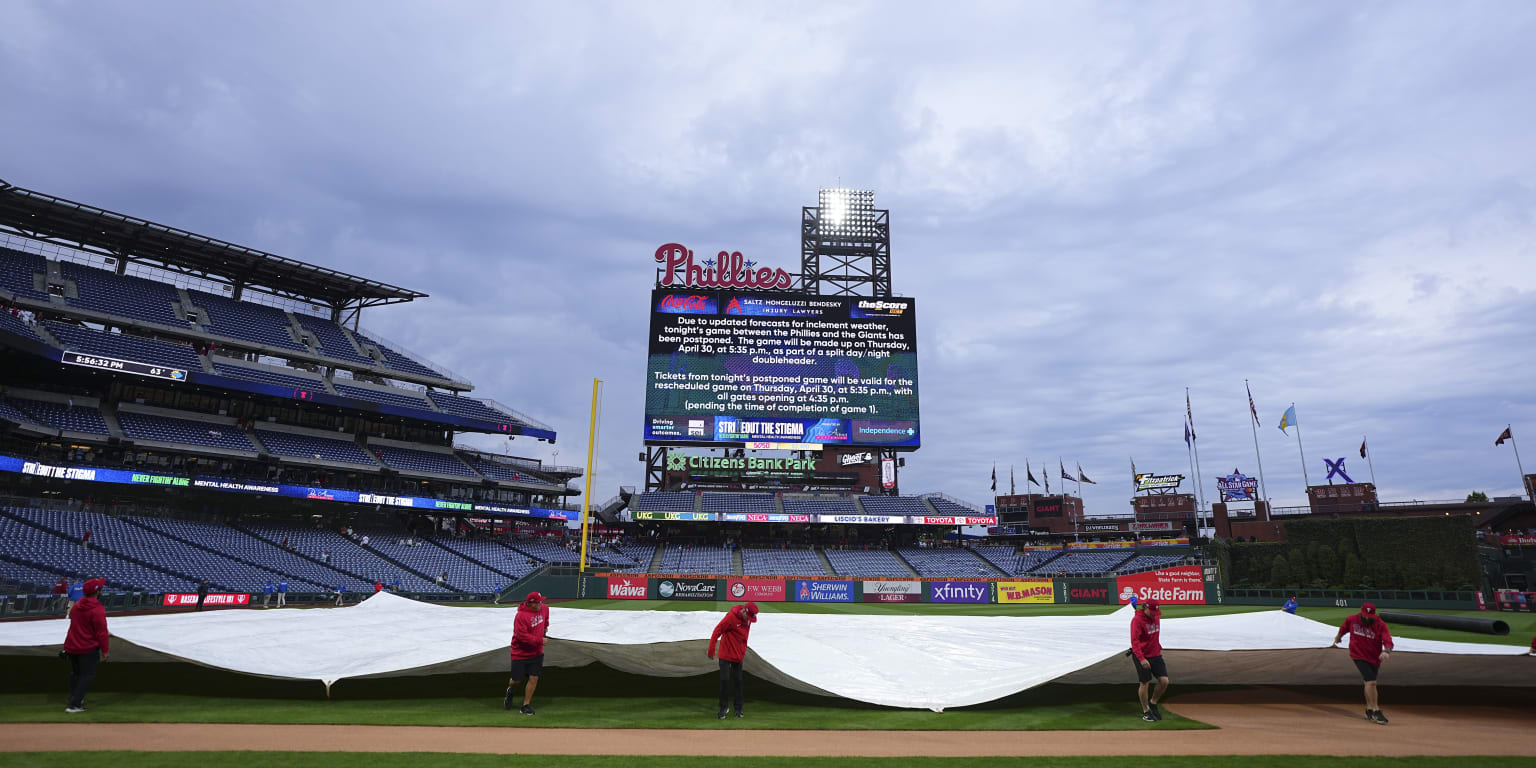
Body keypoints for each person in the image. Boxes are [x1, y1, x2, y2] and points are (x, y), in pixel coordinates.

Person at [1333, 602, 1394, 724]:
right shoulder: (1352, 619)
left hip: (1374, 657)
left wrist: (1387, 651)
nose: (1366, 618)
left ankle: (1369, 709)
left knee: (1368, 683)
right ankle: (1376, 711)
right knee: (1371, 682)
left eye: (1369, 616)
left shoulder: (1380, 624)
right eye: (1365, 615)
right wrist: (1338, 637)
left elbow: (1387, 639)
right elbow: (1343, 628)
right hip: (1358, 654)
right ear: (1361, 611)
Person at [63, 578, 109, 713]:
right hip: (87, 647)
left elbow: (73, 621)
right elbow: (102, 633)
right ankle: (74, 704)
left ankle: (74, 698)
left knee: (76, 673)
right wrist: (105, 650)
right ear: (97, 592)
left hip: (72, 645)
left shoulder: (77, 606)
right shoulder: (97, 609)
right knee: (87, 675)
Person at [707, 602, 758, 719]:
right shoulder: (730, 618)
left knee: (738, 681)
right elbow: (717, 631)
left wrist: (742, 652)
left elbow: (744, 638)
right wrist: (711, 650)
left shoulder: (748, 620)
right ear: (744, 611)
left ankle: (738, 709)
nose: (749, 620)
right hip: (725, 654)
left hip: (738, 656)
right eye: (749, 617)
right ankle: (723, 708)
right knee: (725, 680)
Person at [504, 592, 551, 715]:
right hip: (520, 653)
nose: (541, 603)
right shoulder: (521, 616)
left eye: (541, 601)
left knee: (534, 678)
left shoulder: (544, 608)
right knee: (516, 680)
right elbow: (522, 636)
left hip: (536, 652)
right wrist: (540, 640)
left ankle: (525, 705)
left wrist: (545, 629)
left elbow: (546, 619)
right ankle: (510, 691)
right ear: (531, 604)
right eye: (538, 602)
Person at [1131, 597, 1167, 722]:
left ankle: (1153, 702)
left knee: (1164, 681)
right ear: (1145, 608)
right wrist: (1141, 659)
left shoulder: (1156, 616)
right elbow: (1134, 642)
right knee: (1144, 682)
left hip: (1155, 654)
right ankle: (1146, 711)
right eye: (1152, 612)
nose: (1154, 615)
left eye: (1155, 612)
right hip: (1142, 655)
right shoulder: (1137, 620)